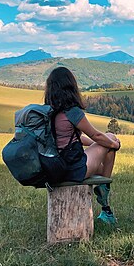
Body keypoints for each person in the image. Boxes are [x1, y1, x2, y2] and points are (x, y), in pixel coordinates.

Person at [44, 66, 121, 224]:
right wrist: (114, 144)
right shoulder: (72, 112)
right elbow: (96, 135)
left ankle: (104, 192)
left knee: (107, 153)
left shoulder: (49, 112)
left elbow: (78, 138)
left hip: (55, 166)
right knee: (110, 138)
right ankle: (105, 203)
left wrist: (101, 145)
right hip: (73, 168)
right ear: (71, 86)